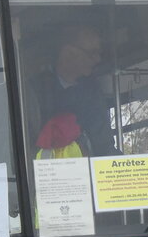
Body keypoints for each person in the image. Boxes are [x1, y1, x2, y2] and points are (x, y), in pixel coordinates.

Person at [32, 24, 117, 159]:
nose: (98, 59)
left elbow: (104, 146)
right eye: (92, 53)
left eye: (98, 53)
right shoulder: (35, 93)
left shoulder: (92, 92)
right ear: (68, 53)